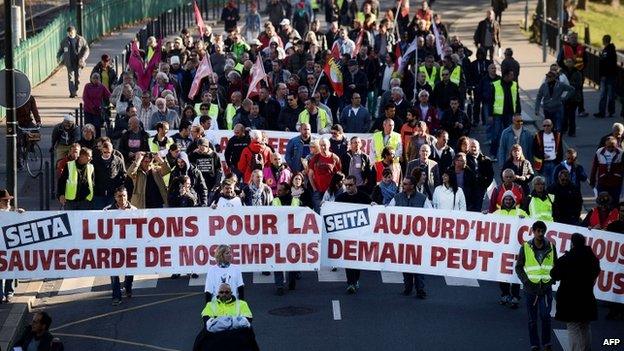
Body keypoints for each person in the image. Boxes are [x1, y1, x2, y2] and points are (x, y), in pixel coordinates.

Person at [550, 233, 601, 351]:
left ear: (572, 243)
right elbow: (596, 272)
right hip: (587, 296)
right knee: (585, 326)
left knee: (573, 327)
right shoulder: (592, 258)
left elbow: (555, 274)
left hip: (569, 298)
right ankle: (586, 349)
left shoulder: (567, 258)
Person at [515, 221, 558, 351]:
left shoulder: (551, 246)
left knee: (545, 317)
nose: (540, 233)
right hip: (530, 290)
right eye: (537, 231)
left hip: (545, 290)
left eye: (542, 231)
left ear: (545, 231)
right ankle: (534, 344)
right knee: (532, 320)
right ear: (533, 231)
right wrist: (526, 281)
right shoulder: (525, 247)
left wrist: (551, 281)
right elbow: (519, 267)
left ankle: (546, 343)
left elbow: (556, 266)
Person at [386, 176, 431, 298]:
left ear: (412, 185)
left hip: (418, 239)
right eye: (403, 184)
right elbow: (387, 212)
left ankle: (420, 289)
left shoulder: (423, 199)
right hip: (403, 238)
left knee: (418, 265)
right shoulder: (397, 198)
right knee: (405, 264)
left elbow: (431, 216)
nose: (403, 186)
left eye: (406, 184)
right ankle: (408, 287)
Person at [335, 175, 372, 294]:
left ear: (356, 184)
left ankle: (355, 280)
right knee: (348, 260)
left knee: (357, 260)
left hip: (360, 234)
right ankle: (350, 283)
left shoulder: (364, 197)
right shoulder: (340, 198)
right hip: (346, 235)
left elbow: (372, 209)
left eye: (350, 185)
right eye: (346, 185)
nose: (348, 187)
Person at [103, 186, 136, 305]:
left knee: (130, 271)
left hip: (129, 246)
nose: (122, 199)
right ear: (115, 197)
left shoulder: (134, 210)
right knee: (114, 272)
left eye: (124, 196)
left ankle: (128, 286)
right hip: (113, 246)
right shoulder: (107, 211)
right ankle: (116, 296)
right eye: (119, 196)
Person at [0, 189, 24, 303]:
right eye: (5, 201)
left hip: (9, 246)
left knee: (9, 268)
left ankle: (9, 291)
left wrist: (20, 214)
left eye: (9, 200)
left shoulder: (11, 212)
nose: (8, 202)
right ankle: (2, 293)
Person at [490, 70, 520, 159]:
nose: (513, 77)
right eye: (511, 75)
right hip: (498, 114)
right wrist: (490, 114)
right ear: (506, 76)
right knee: (496, 134)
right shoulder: (496, 84)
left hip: (510, 114)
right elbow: (491, 100)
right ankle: (493, 153)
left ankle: (509, 154)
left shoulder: (514, 84)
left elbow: (517, 100)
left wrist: (518, 113)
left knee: (510, 134)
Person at [57, 25, 89, 98]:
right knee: (70, 77)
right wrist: (58, 56)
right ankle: (72, 92)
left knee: (77, 78)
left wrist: (83, 58)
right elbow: (61, 50)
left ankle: (75, 89)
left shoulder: (81, 39)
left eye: (71, 32)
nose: (70, 34)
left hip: (78, 62)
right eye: (69, 32)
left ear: (75, 32)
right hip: (69, 62)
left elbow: (87, 49)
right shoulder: (64, 41)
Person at [590, 136, 624, 205]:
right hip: (602, 182)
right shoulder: (599, 152)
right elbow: (594, 166)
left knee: (614, 203)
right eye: (608, 147)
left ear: (617, 145)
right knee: (602, 202)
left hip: (616, 183)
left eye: (613, 147)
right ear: (605, 145)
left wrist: (619, 176)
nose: (610, 149)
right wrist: (592, 179)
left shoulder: (621, 153)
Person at [532, 119, 563, 186]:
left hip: (554, 163)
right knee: (543, 184)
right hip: (543, 164)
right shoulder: (538, 135)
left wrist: (558, 161)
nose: (546, 127)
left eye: (548, 125)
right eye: (544, 125)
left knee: (554, 184)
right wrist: (542, 155)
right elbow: (534, 150)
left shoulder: (557, 135)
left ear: (552, 126)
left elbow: (560, 150)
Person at [467, 139, 494, 212]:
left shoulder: (486, 160)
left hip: (480, 190)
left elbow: (490, 175)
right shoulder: (464, 159)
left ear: (478, 147)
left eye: (475, 146)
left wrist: (484, 186)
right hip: (467, 190)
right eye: (471, 146)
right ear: (469, 147)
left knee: (477, 210)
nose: (473, 148)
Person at [82, 72, 111, 138]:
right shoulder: (87, 86)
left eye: (97, 78)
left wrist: (112, 100)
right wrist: (92, 106)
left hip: (97, 111)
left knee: (97, 126)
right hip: (88, 110)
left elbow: (109, 95)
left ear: (99, 79)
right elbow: (85, 98)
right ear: (91, 79)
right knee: (88, 127)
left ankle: (97, 140)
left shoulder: (102, 86)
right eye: (94, 78)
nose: (95, 80)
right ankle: (88, 140)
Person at [596, 35, 617, 118]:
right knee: (610, 95)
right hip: (611, 75)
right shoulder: (611, 50)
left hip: (607, 76)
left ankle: (602, 112)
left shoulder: (607, 51)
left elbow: (605, 64)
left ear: (604, 40)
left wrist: (603, 74)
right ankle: (610, 111)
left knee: (604, 95)